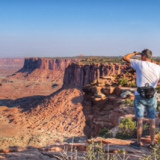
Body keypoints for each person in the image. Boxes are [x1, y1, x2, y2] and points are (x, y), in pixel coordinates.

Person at [122, 49, 160, 149]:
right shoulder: (158, 67)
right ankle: (152, 143)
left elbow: (125, 58)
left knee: (140, 120)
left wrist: (135, 53)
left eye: (141, 56)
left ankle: (138, 143)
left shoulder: (140, 64)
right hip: (152, 95)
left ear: (143, 56)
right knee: (152, 120)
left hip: (140, 95)